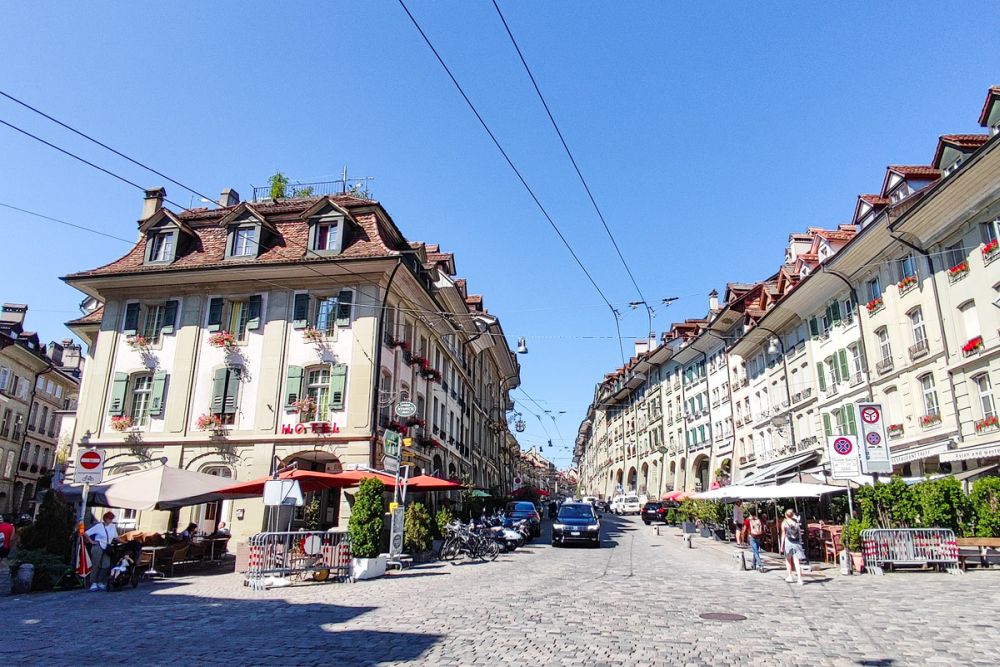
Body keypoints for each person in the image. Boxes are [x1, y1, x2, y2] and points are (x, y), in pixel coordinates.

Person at [84, 511, 119, 591]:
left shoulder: (113, 526)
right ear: (105, 519)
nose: (111, 520)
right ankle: (93, 582)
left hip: (107, 547)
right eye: (109, 519)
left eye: (112, 519)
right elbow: (86, 533)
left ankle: (100, 581)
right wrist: (91, 541)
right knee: (95, 564)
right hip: (98, 545)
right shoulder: (99, 526)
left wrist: (125, 541)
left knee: (105, 565)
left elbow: (116, 537)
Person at [780, 508, 805, 585]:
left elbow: (783, 534)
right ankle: (800, 579)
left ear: (785, 515)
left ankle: (790, 576)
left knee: (788, 559)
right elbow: (799, 534)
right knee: (797, 561)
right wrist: (800, 542)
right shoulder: (796, 523)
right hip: (797, 542)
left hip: (788, 542)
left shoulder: (784, 523)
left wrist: (781, 545)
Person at [747, 507, 765, 572]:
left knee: (756, 551)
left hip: (752, 536)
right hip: (758, 536)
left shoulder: (748, 520)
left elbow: (746, 528)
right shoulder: (758, 520)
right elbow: (762, 527)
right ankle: (753, 564)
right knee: (756, 550)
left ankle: (760, 565)